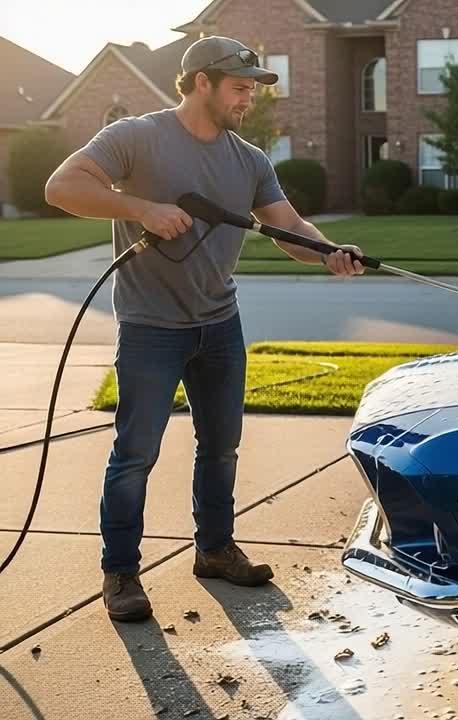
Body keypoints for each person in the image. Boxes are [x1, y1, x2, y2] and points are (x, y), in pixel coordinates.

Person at [44, 36, 366, 622]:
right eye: (240, 88)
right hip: (150, 327)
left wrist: (329, 251)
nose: (248, 100)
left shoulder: (249, 160)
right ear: (201, 82)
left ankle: (215, 549)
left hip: (219, 323)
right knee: (135, 454)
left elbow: (291, 227)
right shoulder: (136, 136)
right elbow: (61, 187)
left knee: (221, 448)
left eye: (251, 91)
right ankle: (121, 572)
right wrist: (141, 208)